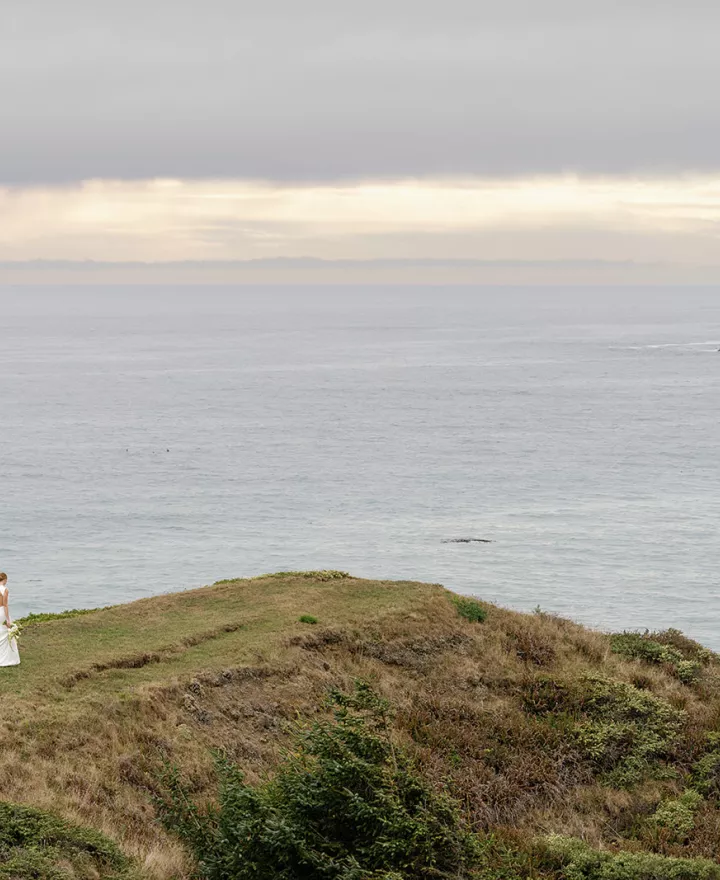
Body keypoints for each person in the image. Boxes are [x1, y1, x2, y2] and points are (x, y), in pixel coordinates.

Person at [0, 573, 20, 667]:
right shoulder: (5, 590)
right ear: (5, 579)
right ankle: (7, 658)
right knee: (6, 632)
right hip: (1, 613)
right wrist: (8, 619)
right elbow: (5, 605)